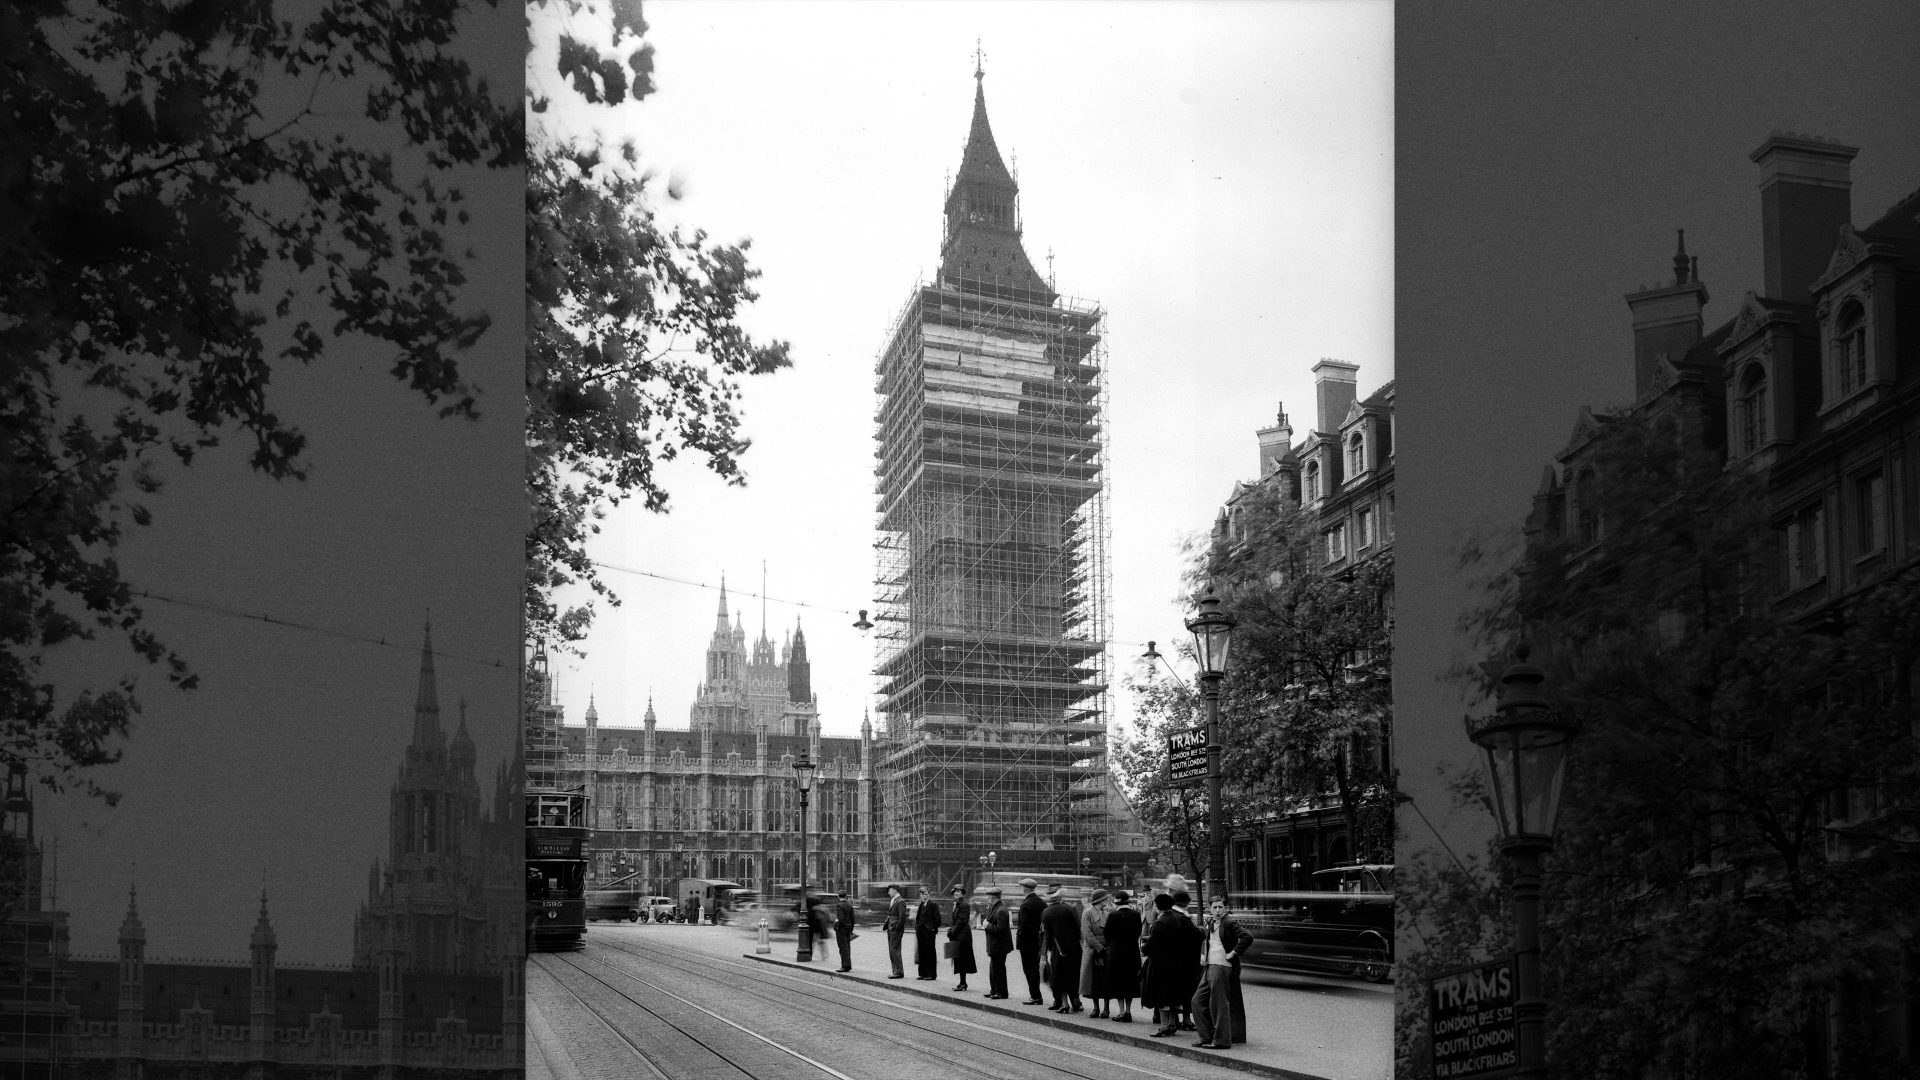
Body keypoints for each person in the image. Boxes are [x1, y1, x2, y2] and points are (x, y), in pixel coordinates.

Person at [1192, 895, 1253, 1050]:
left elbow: (1247, 937)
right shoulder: (1211, 922)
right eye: (1215, 907)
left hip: (1222, 966)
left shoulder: (1229, 922)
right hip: (1209, 966)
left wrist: (1233, 953)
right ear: (1210, 908)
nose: (1218, 910)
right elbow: (1207, 941)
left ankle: (1222, 1040)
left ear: (1225, 908)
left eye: (1220, 907)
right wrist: (1202, 954)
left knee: (1218, 1004)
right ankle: (1206, 1036)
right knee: (1197, 1001)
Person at [1142, 892, 1201, 1039]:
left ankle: (1164, 1026)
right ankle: (1173, 1024)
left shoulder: (1159, 923)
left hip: (1160, 964)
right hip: (1176, 963)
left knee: (1161, 998)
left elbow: (1151, 945)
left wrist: (1143, 945)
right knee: (1172, 996)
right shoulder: (1176, 920)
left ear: (1157, 907)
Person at [1039, 885, 1083, 1013]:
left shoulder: (1046, 912)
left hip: (1057, 949)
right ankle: (1076, 1000)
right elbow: (1077, 928)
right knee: (1074, 974)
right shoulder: (1070, 909)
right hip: (1074, 948)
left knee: (1059, 975)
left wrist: (1043, 953)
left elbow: (1046, 934)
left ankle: (1064, 1003)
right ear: (1060, 897)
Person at [1103, 890, 1143, 1023]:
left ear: (1116, 903)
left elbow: (1107, 934)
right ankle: (1128, 1010)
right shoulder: (1136, 915)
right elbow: (1138, 932)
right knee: (1130, 980)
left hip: (1116, 952)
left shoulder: (1112, 915)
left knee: (1118, 981)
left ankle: (1121, 1012)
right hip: (1132, 952)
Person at [1079, 888, 1112, 1017]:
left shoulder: (1107, 914)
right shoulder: (1087, 913)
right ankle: (1096, 1008)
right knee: (1094, 980)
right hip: (1093, 950)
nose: (1107, 900)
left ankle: (1106, 1009)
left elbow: (1110, 932)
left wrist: (1107, 948)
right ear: (1100, 900)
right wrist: (1100, 948)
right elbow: (1087, 934)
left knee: (1105, 980)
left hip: (1105, 950)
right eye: (1105, 898)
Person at [1015, 877, 1046, 1005]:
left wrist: (1020, 936)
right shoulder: (1042, 902)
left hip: (1027, 942)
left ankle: (1035, 996)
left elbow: (1025, 924)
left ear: (1024, 889)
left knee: (1029, 969)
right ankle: (1037, 995)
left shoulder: (1025, 904)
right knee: (1035, 968)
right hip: (1038, 941)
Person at [983, 885, 1014, 999]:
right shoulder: (994, 908)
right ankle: (994, 990)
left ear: (994, 897)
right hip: (995, 944)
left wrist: (987, 925)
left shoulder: (1001, 910)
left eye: (988, 897)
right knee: (994, 968)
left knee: (998, 968)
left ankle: (1001, 992)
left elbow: (1000, 929)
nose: (987, 899)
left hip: (999, 945)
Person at [945, 884, 976, 991]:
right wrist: (951, 929)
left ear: (962, 893)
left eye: (958, 892)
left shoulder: (964, 905)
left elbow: (962, 921)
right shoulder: (958, 904)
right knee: (958, 959)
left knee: (962, 958)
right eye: (955, 892)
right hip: (958, 934)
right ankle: (962, 982)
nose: (956, 893)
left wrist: (952, 932)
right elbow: (955, 921)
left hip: (963, 936)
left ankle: (963, 983)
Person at [915, 884, 943, 979]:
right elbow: (918, 918)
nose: (924, 896)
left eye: (926, 894)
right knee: (922, 951)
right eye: (922, 894)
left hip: (929, 932)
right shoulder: (921, 905)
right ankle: (922, 973)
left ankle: (931, 974)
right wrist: (917, 927)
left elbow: (938, 919)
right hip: (921, 932)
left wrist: (932, 928)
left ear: (929, 895)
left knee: (930, 952)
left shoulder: (933, 905)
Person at [883, 883, 908, 978]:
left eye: (890, 890)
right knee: (892, 950)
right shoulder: (894, 900)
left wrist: (896, 928)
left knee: (894, 950)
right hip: (891, 928)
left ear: (895, 890)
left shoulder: (900, 901)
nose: (888, 892)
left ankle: (898, 972)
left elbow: (902, 917)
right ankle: (895, 971)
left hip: (895, 929)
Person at [834, 891, 857, 972]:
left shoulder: (839, 905)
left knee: (843, 948)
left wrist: (836, 927)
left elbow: (840, 919)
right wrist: (851, 929)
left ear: (838, 896)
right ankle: (847, 965)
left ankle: (845, 966)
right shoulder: (849, 905)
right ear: (846, 896)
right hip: (848, 928)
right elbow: (852, 918)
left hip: (841, 929)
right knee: (847, 947)